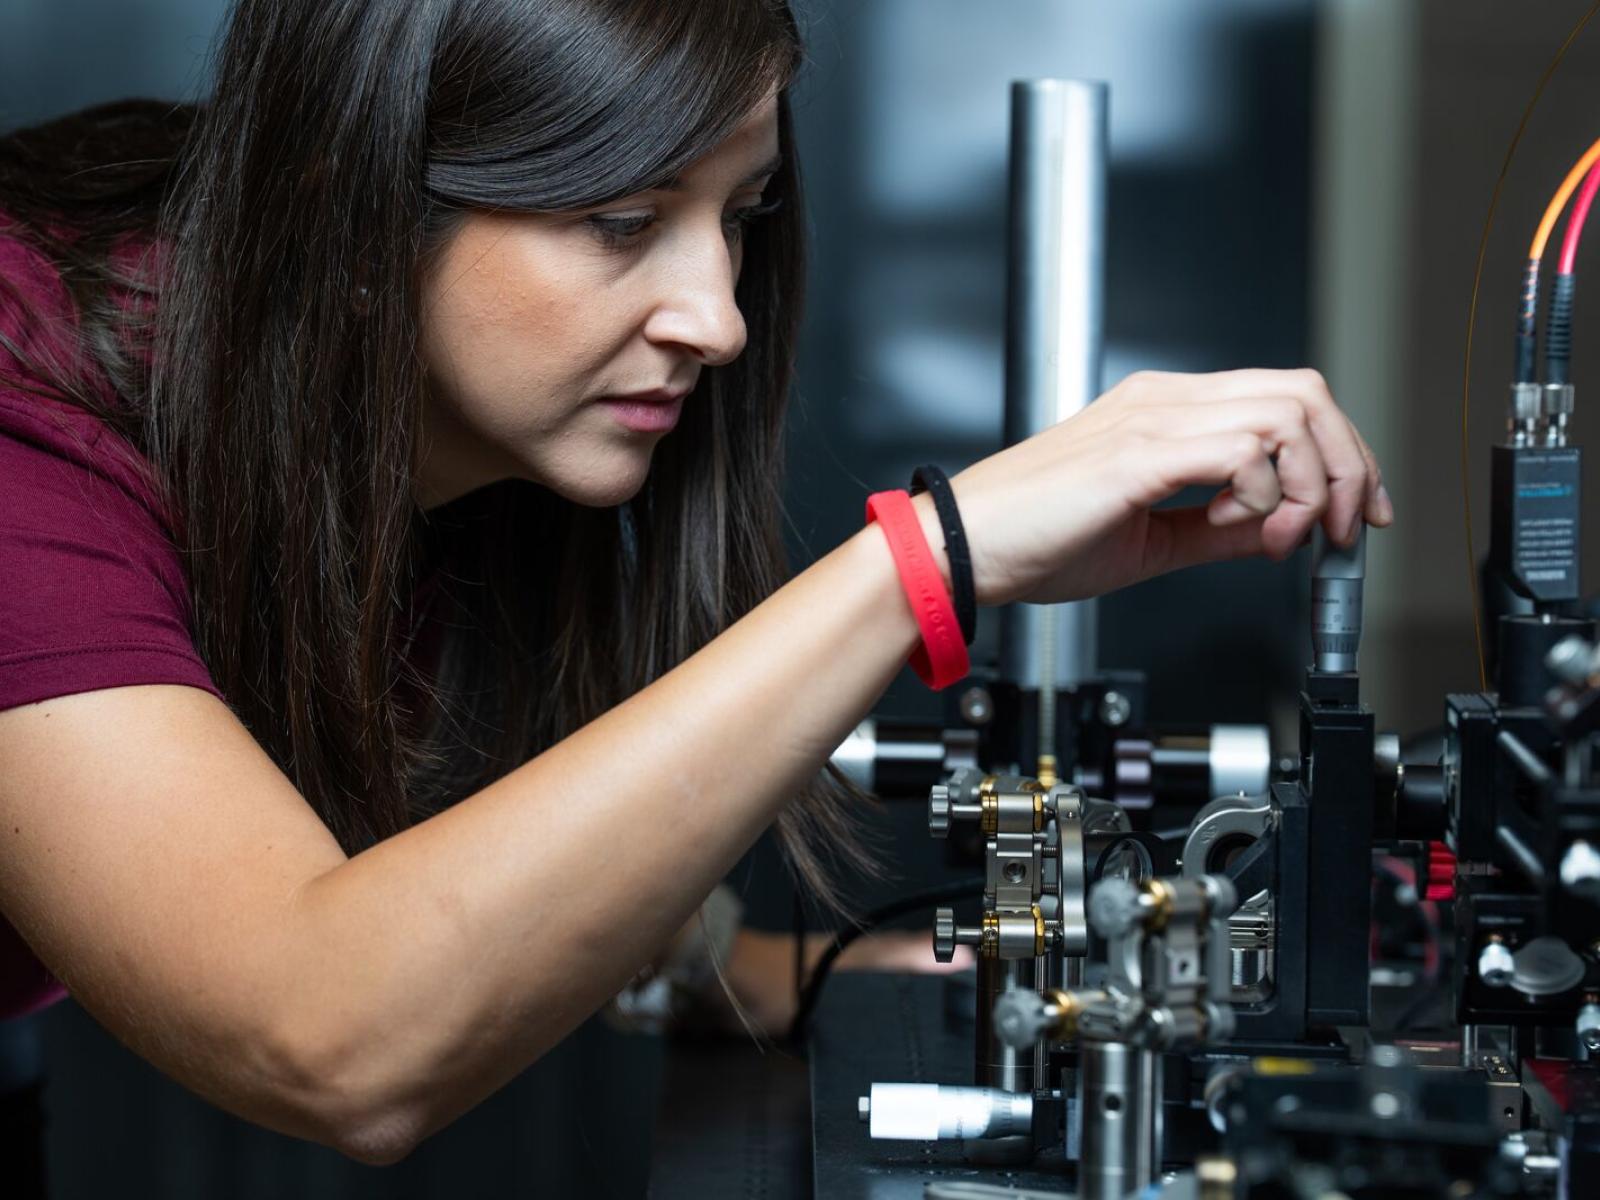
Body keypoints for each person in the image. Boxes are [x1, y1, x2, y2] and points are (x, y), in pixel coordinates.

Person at [0, 0, 1392, 1170]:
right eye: (620, 219)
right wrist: (926, 560)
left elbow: (526, 835)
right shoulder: (32, 432)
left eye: (741, 213)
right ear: (356, 212)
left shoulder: (361, 367)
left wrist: (759, 978)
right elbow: (324, 1033)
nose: (717, 316)